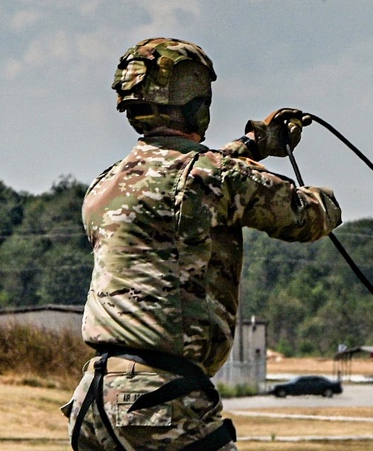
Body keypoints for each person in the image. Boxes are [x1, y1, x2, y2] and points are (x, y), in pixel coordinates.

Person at [64, 37, 342, 451]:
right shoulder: (212, 177)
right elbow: (310, 215)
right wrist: (327, 197)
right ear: (199, 103)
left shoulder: (106, 184)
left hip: (94, 401)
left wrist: (253, 145)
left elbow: (183, 176)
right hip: (161, 403)